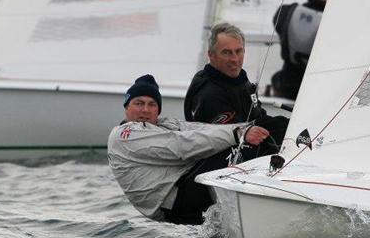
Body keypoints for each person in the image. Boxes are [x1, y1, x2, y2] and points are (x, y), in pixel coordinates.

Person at [108, 74, 271, 225]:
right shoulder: (124, 134)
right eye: (139, 103)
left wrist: (249, 128)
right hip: (176, 206)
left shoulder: (164, 124)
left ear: (158, 110)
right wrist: (239, 135)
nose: (145, 109)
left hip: (187, 188)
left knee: (271, 126)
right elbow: (181, 146)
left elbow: (202, 130)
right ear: (126, 107)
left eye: (152, 104)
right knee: (247, 144)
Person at [184, 23, 288, 158]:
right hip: (220, 161)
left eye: (238, 51)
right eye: (226, 52)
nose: (234, 59)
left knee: (285, 125)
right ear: (211, 55)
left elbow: (259, 117)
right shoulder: (209, 95)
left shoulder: (239, 80)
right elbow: (229, 139)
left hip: (249, 145)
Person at [270, 0, 333, 100]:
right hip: (317, 92)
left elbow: (279, 26)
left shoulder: (285, 12)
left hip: (287, 88)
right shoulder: (334, 20)